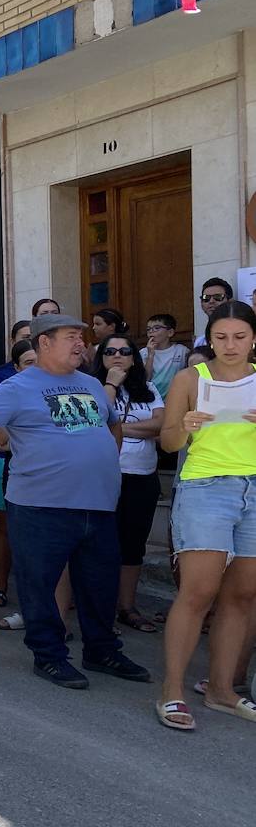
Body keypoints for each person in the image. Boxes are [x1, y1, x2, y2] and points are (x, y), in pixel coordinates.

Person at [0, 313, 151, 689]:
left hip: (97, 504)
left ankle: (101, 650)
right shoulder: (18, 386)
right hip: (40, 506)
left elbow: (112, 422)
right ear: (44, 343)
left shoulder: (92, 385)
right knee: (40, 585)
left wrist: (103, 461)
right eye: (71, 337)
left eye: (82, 338)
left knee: (99, 584)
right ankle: (48, 655)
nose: (81, 344)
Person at [155, 300, 256, 729]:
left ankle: (220, 690)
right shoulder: (189, 378)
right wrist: (186, 426)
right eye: (220, 337)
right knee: (198, 593)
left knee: (243, 596)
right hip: (205, 487)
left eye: (239, 337)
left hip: (254, 489)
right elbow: (168, 443)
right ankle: (172, 692)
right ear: (208, 338)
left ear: (253, 338)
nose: (230, 346)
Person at [91, 334, 163, 635]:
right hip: (104, 477)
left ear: (134, 357)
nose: (117, 356)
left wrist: (119, 427)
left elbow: (160, 424)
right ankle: (100, 612)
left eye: (124, 351)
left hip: (142, 476)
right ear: (101, 357)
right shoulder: (92, 387)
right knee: (101, 547)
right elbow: (94, 425)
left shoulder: (148, 388)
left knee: (133, 546)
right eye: (110, 351)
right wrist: (137, 429)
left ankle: (127, 607)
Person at [0, 339, 36, 619]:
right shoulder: (7, 392)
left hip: (52, 478)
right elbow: (1, 438)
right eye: (29, 363)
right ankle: (2, 588)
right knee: (9, 531)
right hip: (14, 471)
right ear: (15, 367)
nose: (35, 368)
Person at [140, 313, 188, 400]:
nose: (151, 331)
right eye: (148, 329)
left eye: (156, 328)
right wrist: (150, 355)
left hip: (174, 399)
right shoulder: (143, 353)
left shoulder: (181, 351)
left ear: (170, 332)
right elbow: (145, 379)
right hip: (151, 400)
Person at [193, 277, 233, 347]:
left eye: (218, 297)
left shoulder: (240, 335)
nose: (211, 301)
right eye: (206, 298)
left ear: (230, 301)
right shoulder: (200, 342)